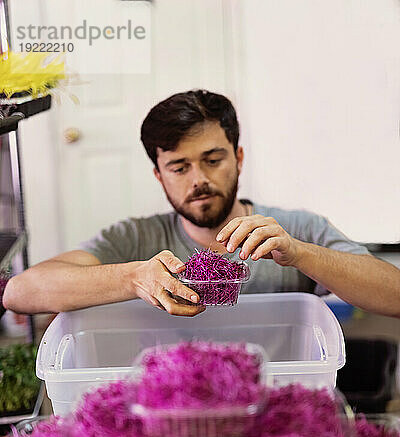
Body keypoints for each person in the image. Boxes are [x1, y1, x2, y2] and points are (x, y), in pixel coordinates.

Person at [3, 90, 400, 318]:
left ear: (238, 158)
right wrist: (133, 277)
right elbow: (19, 292)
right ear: (159, 175)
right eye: (179, 167)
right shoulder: (134, 238)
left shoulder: (295, 229)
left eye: (213, 160)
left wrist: (298, 254)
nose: (199, 180)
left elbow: (395, 295)